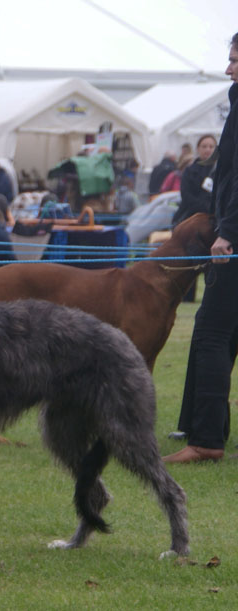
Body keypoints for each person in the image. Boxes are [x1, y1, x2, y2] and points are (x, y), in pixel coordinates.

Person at [163, 33, 238, 464]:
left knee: (211, 331)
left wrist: (227, 231)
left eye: (233, 60)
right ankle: (202, 425)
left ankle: (207, 440)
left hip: (235, 239)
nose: (228, 68)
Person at [171, 134, 218, 226]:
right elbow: (186, 195)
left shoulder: (222, 172)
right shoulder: (189, 171)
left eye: (211, 147)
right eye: (204, 146)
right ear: (198, 149)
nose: (208, 149)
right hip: (190, 217)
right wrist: (205, 208)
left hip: (216, 218)